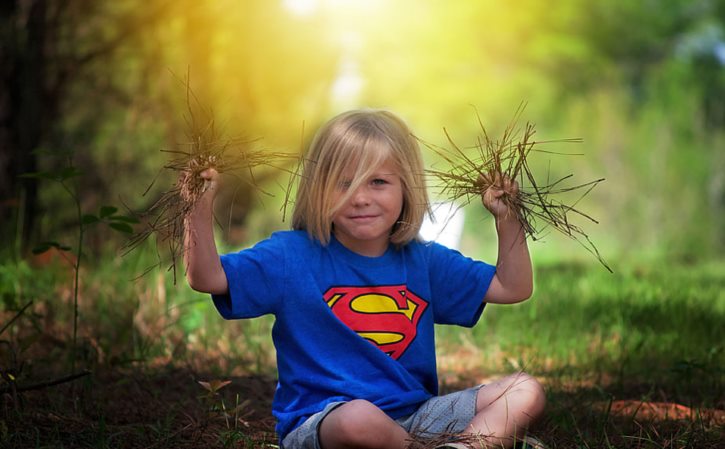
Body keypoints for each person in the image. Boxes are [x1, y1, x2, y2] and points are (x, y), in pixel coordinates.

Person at [184, 109, 546, 449]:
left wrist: (507, 220)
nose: (360, 198)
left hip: (416, 416)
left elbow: (512, 287)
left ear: (405, 188)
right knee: (359, 419)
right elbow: (207, 277)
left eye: (377, 182)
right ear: (318, 190)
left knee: (524, 390)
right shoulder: (290, 256)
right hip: (324, 420)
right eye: (343, 184)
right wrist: (197, 209)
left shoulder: (423, 260)